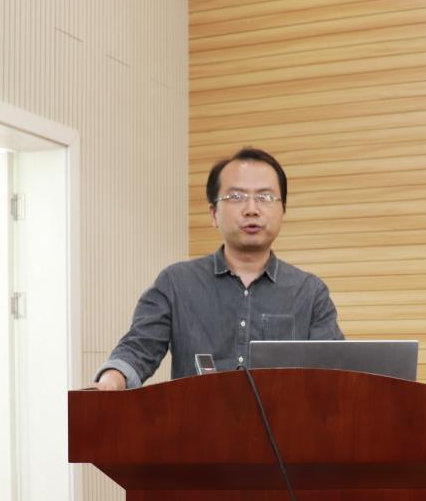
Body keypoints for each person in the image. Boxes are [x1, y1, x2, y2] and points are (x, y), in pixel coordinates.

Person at [94, 147, 344, 390]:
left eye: (265, 197)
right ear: (214, 213)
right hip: (196, 420)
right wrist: (110, 381)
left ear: (283, 210)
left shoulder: (310, 292)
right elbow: (138, 348)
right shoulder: (176, 282)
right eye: (236, 197)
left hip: (283, 421)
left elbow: (337, 371)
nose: (252, 209)